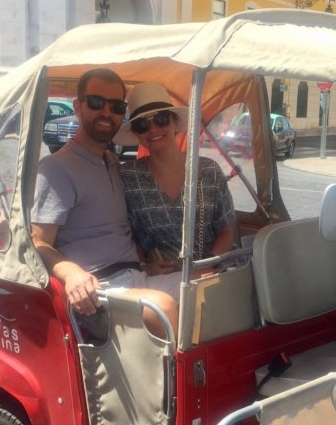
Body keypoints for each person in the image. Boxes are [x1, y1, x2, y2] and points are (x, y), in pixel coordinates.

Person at [29, 68, 179, 337]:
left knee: (210, 285)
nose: (107, 113)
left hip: (135, 277)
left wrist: (145, 264)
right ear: (78, 107)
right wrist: (71, 273)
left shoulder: (110, 162)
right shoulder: (56, 168)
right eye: (96, 103)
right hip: (100, 289)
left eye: (117, 106)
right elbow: (37, 242)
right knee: (164, 307)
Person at [114, 82, 237, 268]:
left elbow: (227, 230)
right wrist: (146, 263)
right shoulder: (128, 177)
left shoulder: (208, 170)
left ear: (175, 123)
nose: (153, 128)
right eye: (142, 124)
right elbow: (127, 236)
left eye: (161, 119)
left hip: (215, 271)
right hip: (161, 279)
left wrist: (205, 268)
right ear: (136, 134)